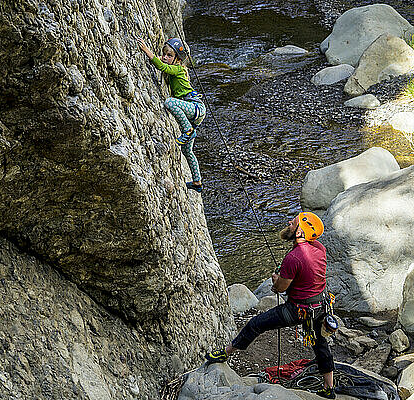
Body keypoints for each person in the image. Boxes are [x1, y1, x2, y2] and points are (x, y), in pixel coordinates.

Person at [205, 212, 336, 399]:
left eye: (294, 223)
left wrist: (276, 280)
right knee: (320, 344)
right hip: (320, 305)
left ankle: (226, 353)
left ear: (299, 232)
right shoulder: (319, 248)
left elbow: (281, 288)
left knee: (256, 323)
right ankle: (329, 388)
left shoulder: (294, 258)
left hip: (297, 310)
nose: (290, 222)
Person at [137, 37, 206, 193]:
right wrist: (162, 57)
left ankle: (188, 130)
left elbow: (163, 67)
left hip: (195, 107)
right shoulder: (177, 67)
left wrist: (147, 51)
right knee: (187, 150)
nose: (166, 57)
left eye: (170, 55)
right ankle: (197, 182)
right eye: (165, 54)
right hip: (193, 112)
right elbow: (165, 64)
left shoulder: (179, 69)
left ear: (177, 59)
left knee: (169, 103)